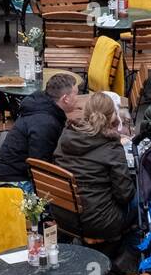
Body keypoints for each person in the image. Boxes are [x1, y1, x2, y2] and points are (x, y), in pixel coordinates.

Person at [53, 92, 136, 255]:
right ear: (112, 116)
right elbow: (124, 195)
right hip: (99, 222)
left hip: (65, 215)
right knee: (141, 197)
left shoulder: (66, 135)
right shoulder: (112, 147)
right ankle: (128, 256)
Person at [0, 72, 81, 185]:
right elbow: (39, 165)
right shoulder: (45, 123)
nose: (78, 99)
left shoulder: (41, 106)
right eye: (76, 94)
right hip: (13, 181)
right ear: (65, 99)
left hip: (13, 170)